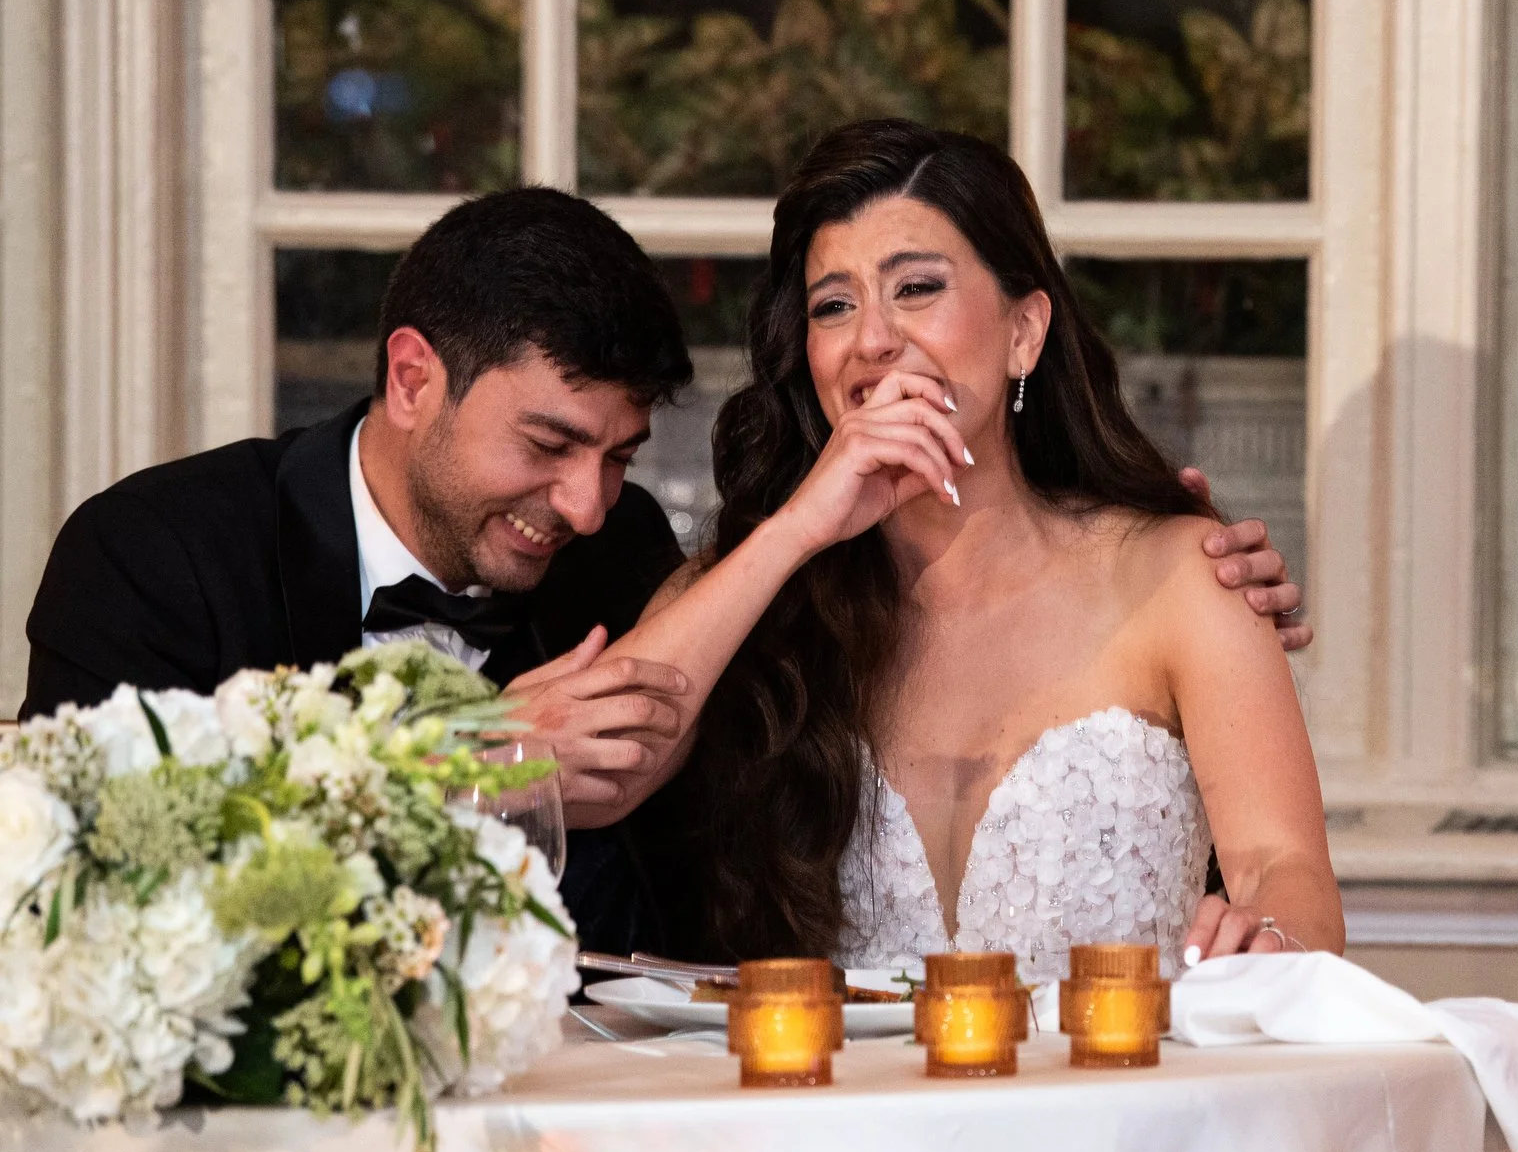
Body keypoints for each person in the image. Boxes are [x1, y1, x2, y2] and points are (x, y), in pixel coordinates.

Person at [18, 182, 1309, 960]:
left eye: (619, 457)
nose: (585, 504)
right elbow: (69, 892)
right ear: (412, 378)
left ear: (1026, 323)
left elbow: (632, 754)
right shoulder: (153, 560)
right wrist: (454, 761)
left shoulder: (618, 555)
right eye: (547, 444)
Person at [595, 121, 1343, 978]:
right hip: (838, 1109)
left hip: (1118, 1097)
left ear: (1024, 331)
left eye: (916, 288)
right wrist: (799, 530)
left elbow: (1285, 870)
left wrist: (1270, 942)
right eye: (833, 305)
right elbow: (604, 769)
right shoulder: (753, 583)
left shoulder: (1184, 576)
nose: (873, 338)